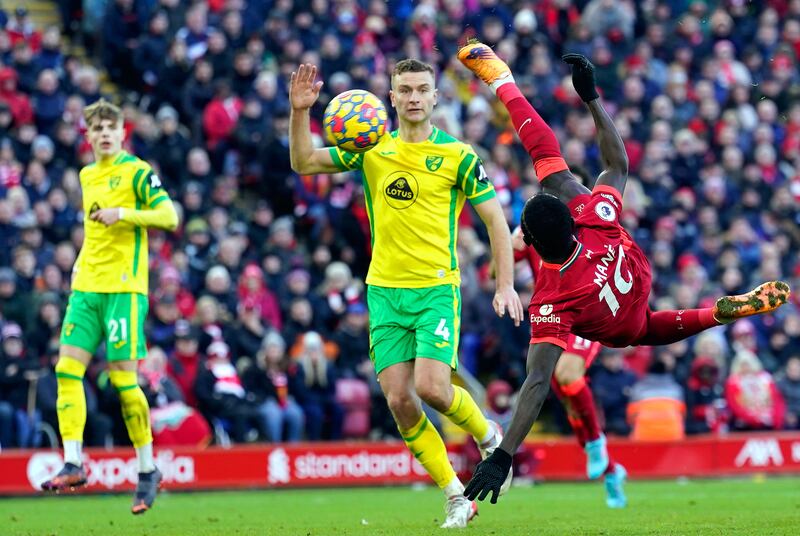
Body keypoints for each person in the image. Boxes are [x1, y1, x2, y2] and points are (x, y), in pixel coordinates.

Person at [457, 41, 790, 504]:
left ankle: (596, 444)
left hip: (607, 317)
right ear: (570, 217)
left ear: (528, 241)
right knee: (555, 173)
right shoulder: (595, 215)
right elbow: (617, 163)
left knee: (570, 373)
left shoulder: (552, 302)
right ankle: (504, 83)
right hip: (627, 271)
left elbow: (535, 384)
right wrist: (592, 97)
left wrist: (503, 454)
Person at [289, 59, 524, 528]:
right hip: (384, 292)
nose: (414, 97)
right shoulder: (371, 147)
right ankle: (456, 495)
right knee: (399, 400)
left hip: (436, 288)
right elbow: (304, 162)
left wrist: (505, 283)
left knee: (432, 388)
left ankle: (488, 434)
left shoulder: (459, 156)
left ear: (435, 97)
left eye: (422, 89)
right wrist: (299, 113)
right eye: (405, 90)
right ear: (391, 98)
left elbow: (496, 220)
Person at [40, 99, 179, 515]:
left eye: (110, 127)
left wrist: (125, 213)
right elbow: (93, 231)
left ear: (122, 133)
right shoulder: (87, 175)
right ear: (88, 134)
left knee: (124, 384)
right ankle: (73, 461)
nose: (103, 134)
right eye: (96, 128)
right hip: (86, 287)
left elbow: (169, 217)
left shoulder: (137, 171)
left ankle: (147, 468)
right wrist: (79, 266)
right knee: (66, 370)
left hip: (124, 289)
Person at [513, 228, 626, 507]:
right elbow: (493, 271)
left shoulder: (588, 228)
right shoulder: (532, 229)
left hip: (586, 315)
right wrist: (507, 243)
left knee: (568, 375)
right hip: (551, 320)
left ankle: (597, 444)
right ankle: (611, 470)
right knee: (570, 400)